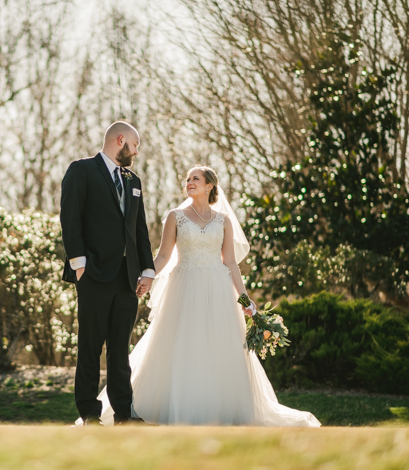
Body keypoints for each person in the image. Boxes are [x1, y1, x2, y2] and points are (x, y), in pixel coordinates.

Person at [97, 165, 321, 427]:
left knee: (219, 347)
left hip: (218, 290)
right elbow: (164, 256)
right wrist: (147, 275)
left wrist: (245, 299)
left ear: (209, 186)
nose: (189, 182)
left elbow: (231, 263)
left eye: (196, 179)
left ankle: (219, 409)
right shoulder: (175, 216)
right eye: (188, 178)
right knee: (183, 344)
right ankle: (172, 406)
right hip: (185, 288)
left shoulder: (223, 221)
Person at [60, 121, 155, 426]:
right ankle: (89, 414)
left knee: (120, 349)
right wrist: (79, 263)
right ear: (120, 140)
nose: (136, 152)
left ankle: (124, 414)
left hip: (127, 278)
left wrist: (147, 270)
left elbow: (138, 229)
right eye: (135, 145)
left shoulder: (133, 180)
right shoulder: (81, 170)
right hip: (93, 273)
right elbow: (70, 216)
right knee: (90, 346)